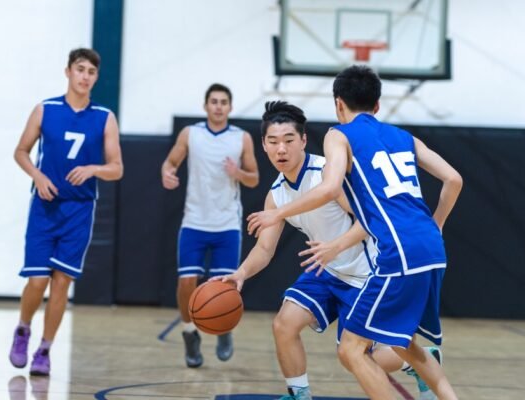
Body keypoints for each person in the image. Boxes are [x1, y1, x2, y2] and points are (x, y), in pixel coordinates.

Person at [247, 66, 462, 400]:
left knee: (353, 351)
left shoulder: (339, 136)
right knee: (400, 342)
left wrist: (278, 213)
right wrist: (437, 224)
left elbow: (330, 187)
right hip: (432, 248)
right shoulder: (404, 137)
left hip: (391, 254)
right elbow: (454, 179)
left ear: (338, 105)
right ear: (377, 105)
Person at [9, 48, 124, 376]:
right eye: (80, 69)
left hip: (79, 210)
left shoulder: (104, 117)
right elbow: (20, 152)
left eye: (91, 72)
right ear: (68, 72)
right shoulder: (45, 109)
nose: (85, 76)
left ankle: (44, 350)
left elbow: (117, 168)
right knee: (37, 280)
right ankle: (23, 328)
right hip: (45, 208)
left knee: (61, 284)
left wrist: (93, 169)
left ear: (96, 78)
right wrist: (38, 175)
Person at [161, 83, 259, 368]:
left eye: (223, 102)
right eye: (213, 101)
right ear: (206, 106)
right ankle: (190, 333)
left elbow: (253, 178)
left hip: (226, 224)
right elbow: (170, 162)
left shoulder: (242, 138)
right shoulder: (191, 133)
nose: (218, 106)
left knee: (225, 286)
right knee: (186, 282)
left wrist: (237, 172)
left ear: (230, 107)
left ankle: (224, 330)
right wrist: (167, 174)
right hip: (194, 221)